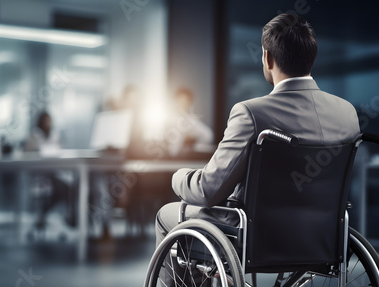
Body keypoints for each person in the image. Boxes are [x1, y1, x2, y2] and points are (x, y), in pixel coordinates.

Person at [155, 13, 361, 245]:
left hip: (257, 235)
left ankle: (193, 282)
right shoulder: (347, 113)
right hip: (322, 234)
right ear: (312, 57)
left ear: (267, 58)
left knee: (166, 215)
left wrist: (178, 177)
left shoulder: (251, 113)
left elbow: (208, 191)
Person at [24, 111, 76, 229]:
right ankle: (65, 216)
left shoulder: (55, 134)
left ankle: (44, 213)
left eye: (49, 120)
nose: (48, 123)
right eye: (45, 121)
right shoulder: (34, 135)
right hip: (40, 173)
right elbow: (27, 153)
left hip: (54, 171)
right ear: (40, 122)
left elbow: (59, 150)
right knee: (63, 189)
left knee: (65, 189)